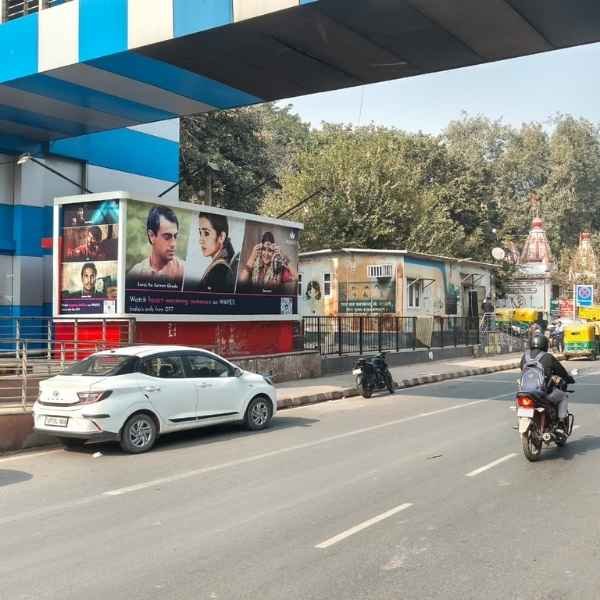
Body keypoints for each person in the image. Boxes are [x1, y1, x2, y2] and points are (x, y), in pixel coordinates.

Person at [520, 332, 574, 435]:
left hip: (525, 392)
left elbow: (522, 369)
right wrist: (568, 379)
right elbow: (561, 372)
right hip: (542, 393)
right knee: (563, 396)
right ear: (545, 344)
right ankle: (561, 423)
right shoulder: (548, 357)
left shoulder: (524, 357)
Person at [128, 206, 185, 285]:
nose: (173, 244)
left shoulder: (184, 271)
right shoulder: (136, 273)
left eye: (175, 236)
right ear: (151, 236)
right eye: (167, 237)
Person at [187, 212, 235, 293]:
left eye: (206, 233)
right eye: (200, 233)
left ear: (221, 237)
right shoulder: (221, 266)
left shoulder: (220, 271)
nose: (200, 240)